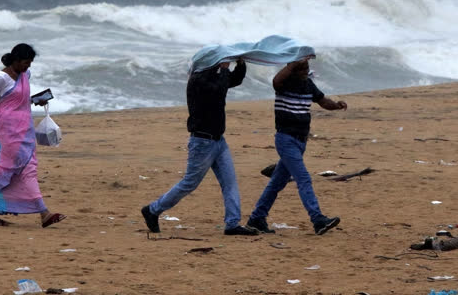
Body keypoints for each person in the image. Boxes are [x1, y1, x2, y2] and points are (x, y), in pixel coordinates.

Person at [141, 58, 259, 236]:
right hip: (202, 142)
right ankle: (152, 210)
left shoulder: (212, 77)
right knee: (189, 183)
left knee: (230, 182)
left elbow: (232, 81)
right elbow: (219, 89)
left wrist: (240, 64)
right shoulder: (198, 81)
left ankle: (232, 224)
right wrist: (225, 69)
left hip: (219, 141)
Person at [244, 56, 347, 236]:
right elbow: (276, 80)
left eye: (307, 68)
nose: (305, 72)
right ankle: (317, 219)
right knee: (303, 178)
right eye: (302, 69)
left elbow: (323, 101)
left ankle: (256, 219)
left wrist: (337, 106)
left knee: (276, 183)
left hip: (300, 141)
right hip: (286, 139)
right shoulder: (284, 84)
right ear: (292, 69)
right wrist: (293, 64)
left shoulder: (308, 85)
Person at [0, 43, 66, 228]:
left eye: (30, 63)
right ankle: (44, 214)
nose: (28, 67)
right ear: (16, 60)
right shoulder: (2, 78)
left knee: (22, 170)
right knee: (13, 170)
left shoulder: (26, 75)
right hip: (8, 133)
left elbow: (21, 98)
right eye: (26, 63)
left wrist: (37, 101)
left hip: (25, 130)